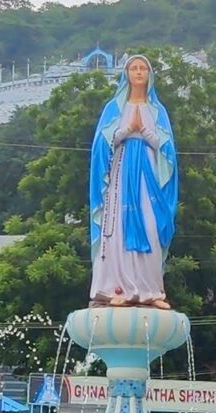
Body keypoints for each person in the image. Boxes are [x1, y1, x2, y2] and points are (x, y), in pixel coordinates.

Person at [88, 54, 179, 310]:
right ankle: (117, 287)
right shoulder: (114, 108)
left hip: (149, 180)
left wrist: (144, 131)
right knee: (118, 230)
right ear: (126, 74)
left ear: (150, 75)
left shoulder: (157, 111)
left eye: (143, 69)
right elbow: (101, 146)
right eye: (134, 68)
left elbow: (167, 150)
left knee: (151, 227)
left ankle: (151, 290)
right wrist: (128, 129)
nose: (138, 72)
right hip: (119, 178)